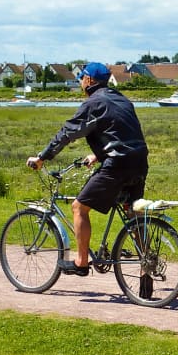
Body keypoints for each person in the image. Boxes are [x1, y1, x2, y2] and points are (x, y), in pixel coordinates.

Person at [26, 61, 149, 277]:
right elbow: (121, 133)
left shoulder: (93, 102)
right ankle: (146, 267)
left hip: (117, 165)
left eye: (81, 78)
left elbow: (67, 133)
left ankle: (81, 262)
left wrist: (42, 158)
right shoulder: (122, 100)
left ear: (89, 80)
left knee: (79, 207)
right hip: (139, 162)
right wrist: (99, 155)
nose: (80, 82)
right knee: (133, 213)